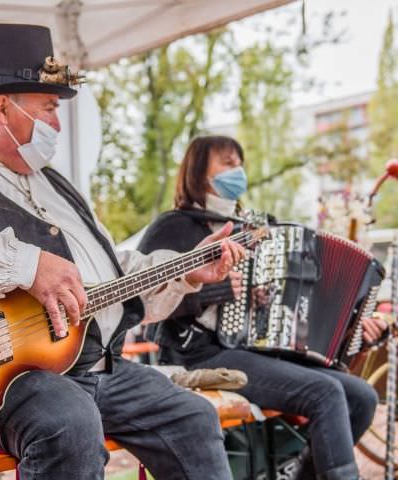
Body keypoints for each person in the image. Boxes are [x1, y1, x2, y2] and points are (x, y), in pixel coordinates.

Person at [0, 25, 246, 480]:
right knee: (68, 421)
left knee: (191, 416)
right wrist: (26, 264)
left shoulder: (58, 187)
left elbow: (111, 270)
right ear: (2, 107)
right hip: (0, 381)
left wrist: (187, 270)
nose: (56, 123)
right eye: (49, 108)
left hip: (98, 368)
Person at [138, 135, 389, 480]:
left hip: (252, 349)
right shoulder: (173, 227)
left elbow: (292, 298)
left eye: (239, 164)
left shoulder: (253, 226)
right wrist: (213, 291)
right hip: (198, 353)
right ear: (198, 170)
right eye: (227, 163)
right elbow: (141, 301)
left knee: (362, 396)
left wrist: (351, 323)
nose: (236, 171)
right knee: (325, 392)